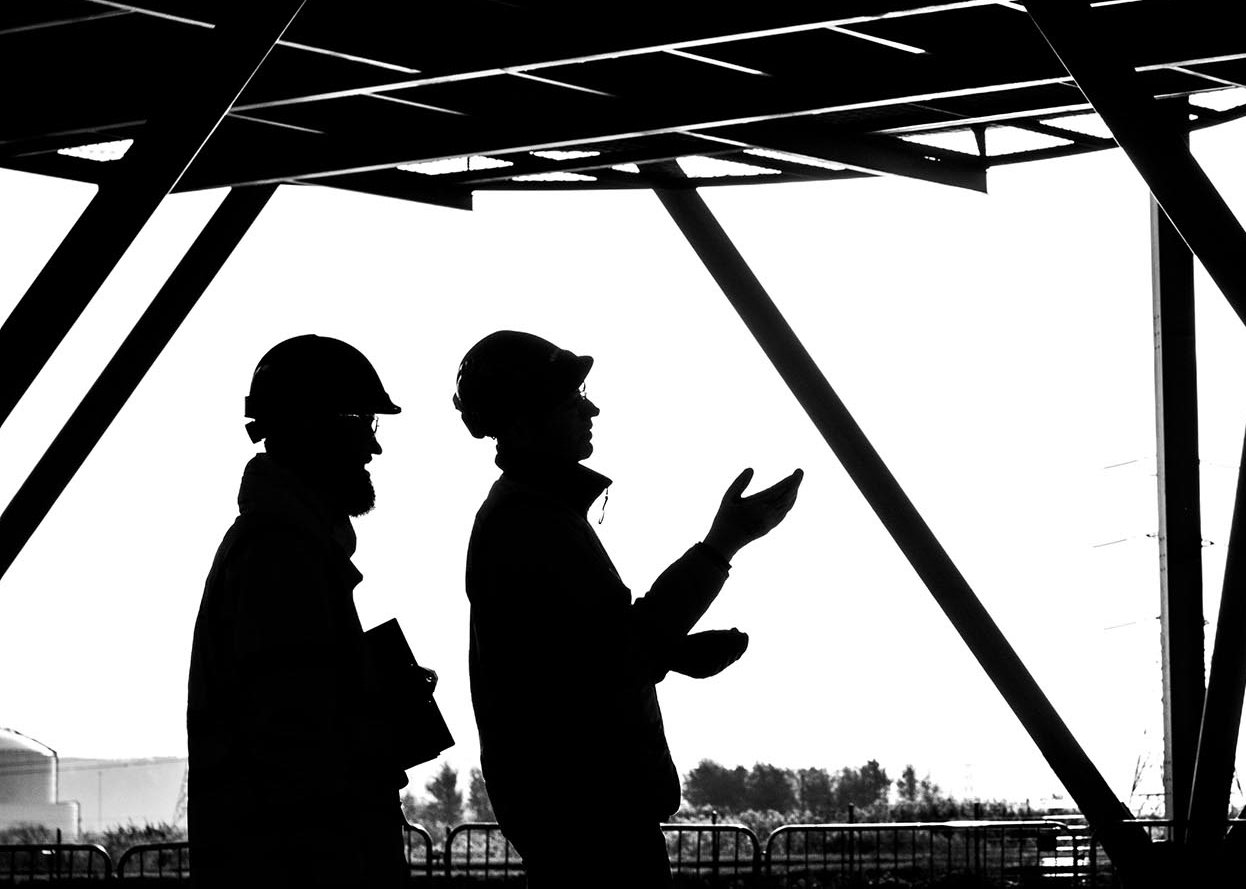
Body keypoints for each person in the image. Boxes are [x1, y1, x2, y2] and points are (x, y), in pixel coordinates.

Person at [455, 330, 801, 886]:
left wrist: (670, 654)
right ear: (522, 424)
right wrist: (723, 544)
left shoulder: (529, 515)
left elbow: (582, 654)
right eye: (570, 400)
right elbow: (615, 654)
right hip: (592, 824)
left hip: (583, 818)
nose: (589, 409)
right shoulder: (530, 522)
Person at [187, 335, 411, 887]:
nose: (373, 447)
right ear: (315, 427)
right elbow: (297, 753)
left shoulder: (290, 548)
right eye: (363, 422)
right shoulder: (280, 556)